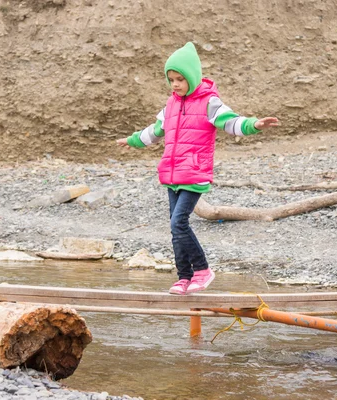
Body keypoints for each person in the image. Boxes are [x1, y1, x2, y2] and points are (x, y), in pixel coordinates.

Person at [117, 42, 279, 295]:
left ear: (191, 77)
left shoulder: (209, 102)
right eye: (171, 80)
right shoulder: (171, 104)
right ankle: (184, 277)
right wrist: (132, 140)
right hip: (172, 175)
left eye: (180, 79)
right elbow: (155, 131)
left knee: (178, 223)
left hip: (193, 173)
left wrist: (254, 124)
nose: (175, 84)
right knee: (175, 227)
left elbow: (231, 122)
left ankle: (203, 270)